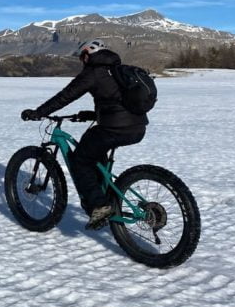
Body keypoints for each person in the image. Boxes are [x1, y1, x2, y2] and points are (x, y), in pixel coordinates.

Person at [21, 39, 148, 230]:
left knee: (80, 159)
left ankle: (100, 205)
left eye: (83, 56)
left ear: (89, 54)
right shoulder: (117, 70)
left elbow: (66, 95)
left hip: (114, 128)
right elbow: (115, 100)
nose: (83, 61)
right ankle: (104, 195)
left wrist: (39, 112)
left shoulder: (93, 72)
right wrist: (90, 115)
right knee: (95, 152)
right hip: (137, 127)